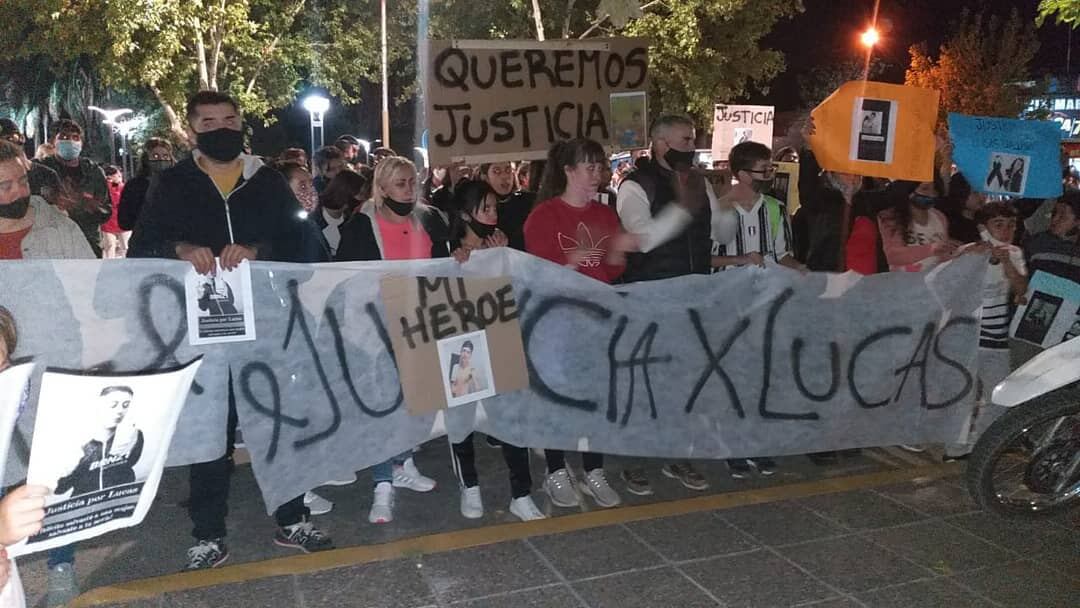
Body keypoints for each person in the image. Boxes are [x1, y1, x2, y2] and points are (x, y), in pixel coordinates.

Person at [128, 90, 334, 569]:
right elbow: (143, 247)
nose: (222, 128)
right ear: (193, 128)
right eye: (210, 121)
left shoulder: (265, 180)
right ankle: (207, 533)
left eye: (230, 119)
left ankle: (292, 516)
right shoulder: (172, 184)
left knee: (277, 421)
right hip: (200, 331)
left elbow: (303, 242)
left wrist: (258, 251)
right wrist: (181, 250)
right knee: (210, 434)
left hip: (267, 323)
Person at [0, 140, 92, 605]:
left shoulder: (60, 227)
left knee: (50, 472)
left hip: (54, 371)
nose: (17, 191)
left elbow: (94, 292)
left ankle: (61, 565)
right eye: (4, 185)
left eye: (22, 179)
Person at [524, 138, 637, 510]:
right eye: (589, 167)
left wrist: (619, 253)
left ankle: (594, 468)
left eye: (600, 166)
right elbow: (535, 275)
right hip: (557, 323)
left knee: (596, 396)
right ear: (568, 171)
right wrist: (567, 260)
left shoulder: (606, 215)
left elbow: (609, 270)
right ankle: (556, 468)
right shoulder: (544, 216)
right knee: (557, 396)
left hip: (597, 320)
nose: (597, 174)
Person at [615, 114, 724, 496]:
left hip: (693, 297)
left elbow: (721, 229)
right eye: (683, 140)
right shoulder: (634, 185)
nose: (690, 147)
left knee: (683, 381)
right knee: (645, 380)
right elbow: (643, 239)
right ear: (659, 144)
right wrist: (681, 208)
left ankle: (678, 453)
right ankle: (634, 460)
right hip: (651, 297)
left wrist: (722, 200)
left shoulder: (696, 181)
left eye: (693, 140)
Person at [334, 156, 443, 524]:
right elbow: (347, 279)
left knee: (414, 402)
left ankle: (403, 462)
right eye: (400, 183)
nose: (408, 189)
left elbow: (444, 265)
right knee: (382, 405)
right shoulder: (361, 227)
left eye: (412, 182)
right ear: (380, 189)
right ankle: (382, 484)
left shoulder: (430, 220)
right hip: (374, 331)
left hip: (420, 326)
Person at [441, 180, 545, 522]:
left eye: (494, 208)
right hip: (461, 348)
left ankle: (521, 493)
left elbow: (520, 293)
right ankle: (469, 486)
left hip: (498, 342)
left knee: (511, 418)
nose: (492, 215)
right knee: (461, 420)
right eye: (484, 209)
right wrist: (457, 264)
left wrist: (502, 258)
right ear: (465, 214)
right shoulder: (445, 251)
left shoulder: (502, 247)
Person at [709, 141, 804, 478]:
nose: (769, 175)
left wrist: (807, 273)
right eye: (763, 169)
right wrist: (739, 261)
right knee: (732, 375)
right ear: (741, 174)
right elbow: (705, 259)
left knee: (761, 376)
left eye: (769, 168)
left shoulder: (776, 210)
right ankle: (730, 444)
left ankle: (755, 441)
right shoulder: (718, 210)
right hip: (728, 306)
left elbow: (783, 255)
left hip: (765, 304)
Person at [946, 203, 1027, 460]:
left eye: (1011, 225)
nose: (1006, 231)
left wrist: (1006, 264)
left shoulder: (1014, 253)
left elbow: (1021, 290)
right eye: (999, 224)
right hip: (968, 334)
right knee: (964, 395)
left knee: (1000, 394)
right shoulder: (968, 252)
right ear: (984, 228)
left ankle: (979, 443)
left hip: (996, 336)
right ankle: (955, 448)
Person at [54, 386, 144, 497]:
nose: (120, 410)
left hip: (121, 500)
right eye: (113, 404)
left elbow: (130, 464)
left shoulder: (135, 436)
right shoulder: (81, 441)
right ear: (100, 405)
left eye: (126, 405)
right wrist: (72, 467)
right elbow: (60, 489)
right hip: (83, 505)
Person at [40, 119, 112, 258]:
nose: (70, 141)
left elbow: (106, 211)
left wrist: (89, 205)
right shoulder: (41, 169)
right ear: (53, 141)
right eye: (64, 137)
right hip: (52, 246)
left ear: (81, 143)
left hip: (88, 242)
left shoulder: (94, 171)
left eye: (75, 138)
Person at [877, 177, 959, 273]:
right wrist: (931, 249)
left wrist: (958, 251)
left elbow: (943, 255)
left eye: (934, 189)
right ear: (908, 190)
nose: (931, 194)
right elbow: (891, 256)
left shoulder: (939, 217)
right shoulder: (890, 218)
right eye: (925, 189)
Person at [0, 119, 64, 209]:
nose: (7, 145)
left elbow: (60, 210)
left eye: (10, 138)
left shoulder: (47, 174)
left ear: (21, 138)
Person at [118, 138, 175, 232]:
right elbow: (124, 221)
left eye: (165, 156)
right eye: (155, 156)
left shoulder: (179, 184)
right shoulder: (134, 186)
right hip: (145, 240)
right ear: (146, 159)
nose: (161, 160)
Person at [479, 161, 535, 251]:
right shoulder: (478, 209)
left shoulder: (529, 201)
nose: (505, 177)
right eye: (496, 171)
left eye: (508, 170)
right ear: (485, 177)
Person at [311, 169, 367, 257]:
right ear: (345, 193)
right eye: (361, 194)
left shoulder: (355, 221)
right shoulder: (313, 220)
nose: (364, 199)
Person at [940, 173, 983, 244]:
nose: (982, 197)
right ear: (961, 193)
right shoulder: (948, 222)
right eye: (975, 193)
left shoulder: (985, 219)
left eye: (983, 192)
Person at [100, 166, 128, 258]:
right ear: (110, 177)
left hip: (120, 220)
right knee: (112, 246)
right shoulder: (105, 187)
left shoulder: (122, 186)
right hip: (111, 221)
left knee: (122, 246)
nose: (120, 177)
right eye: (118, 176)